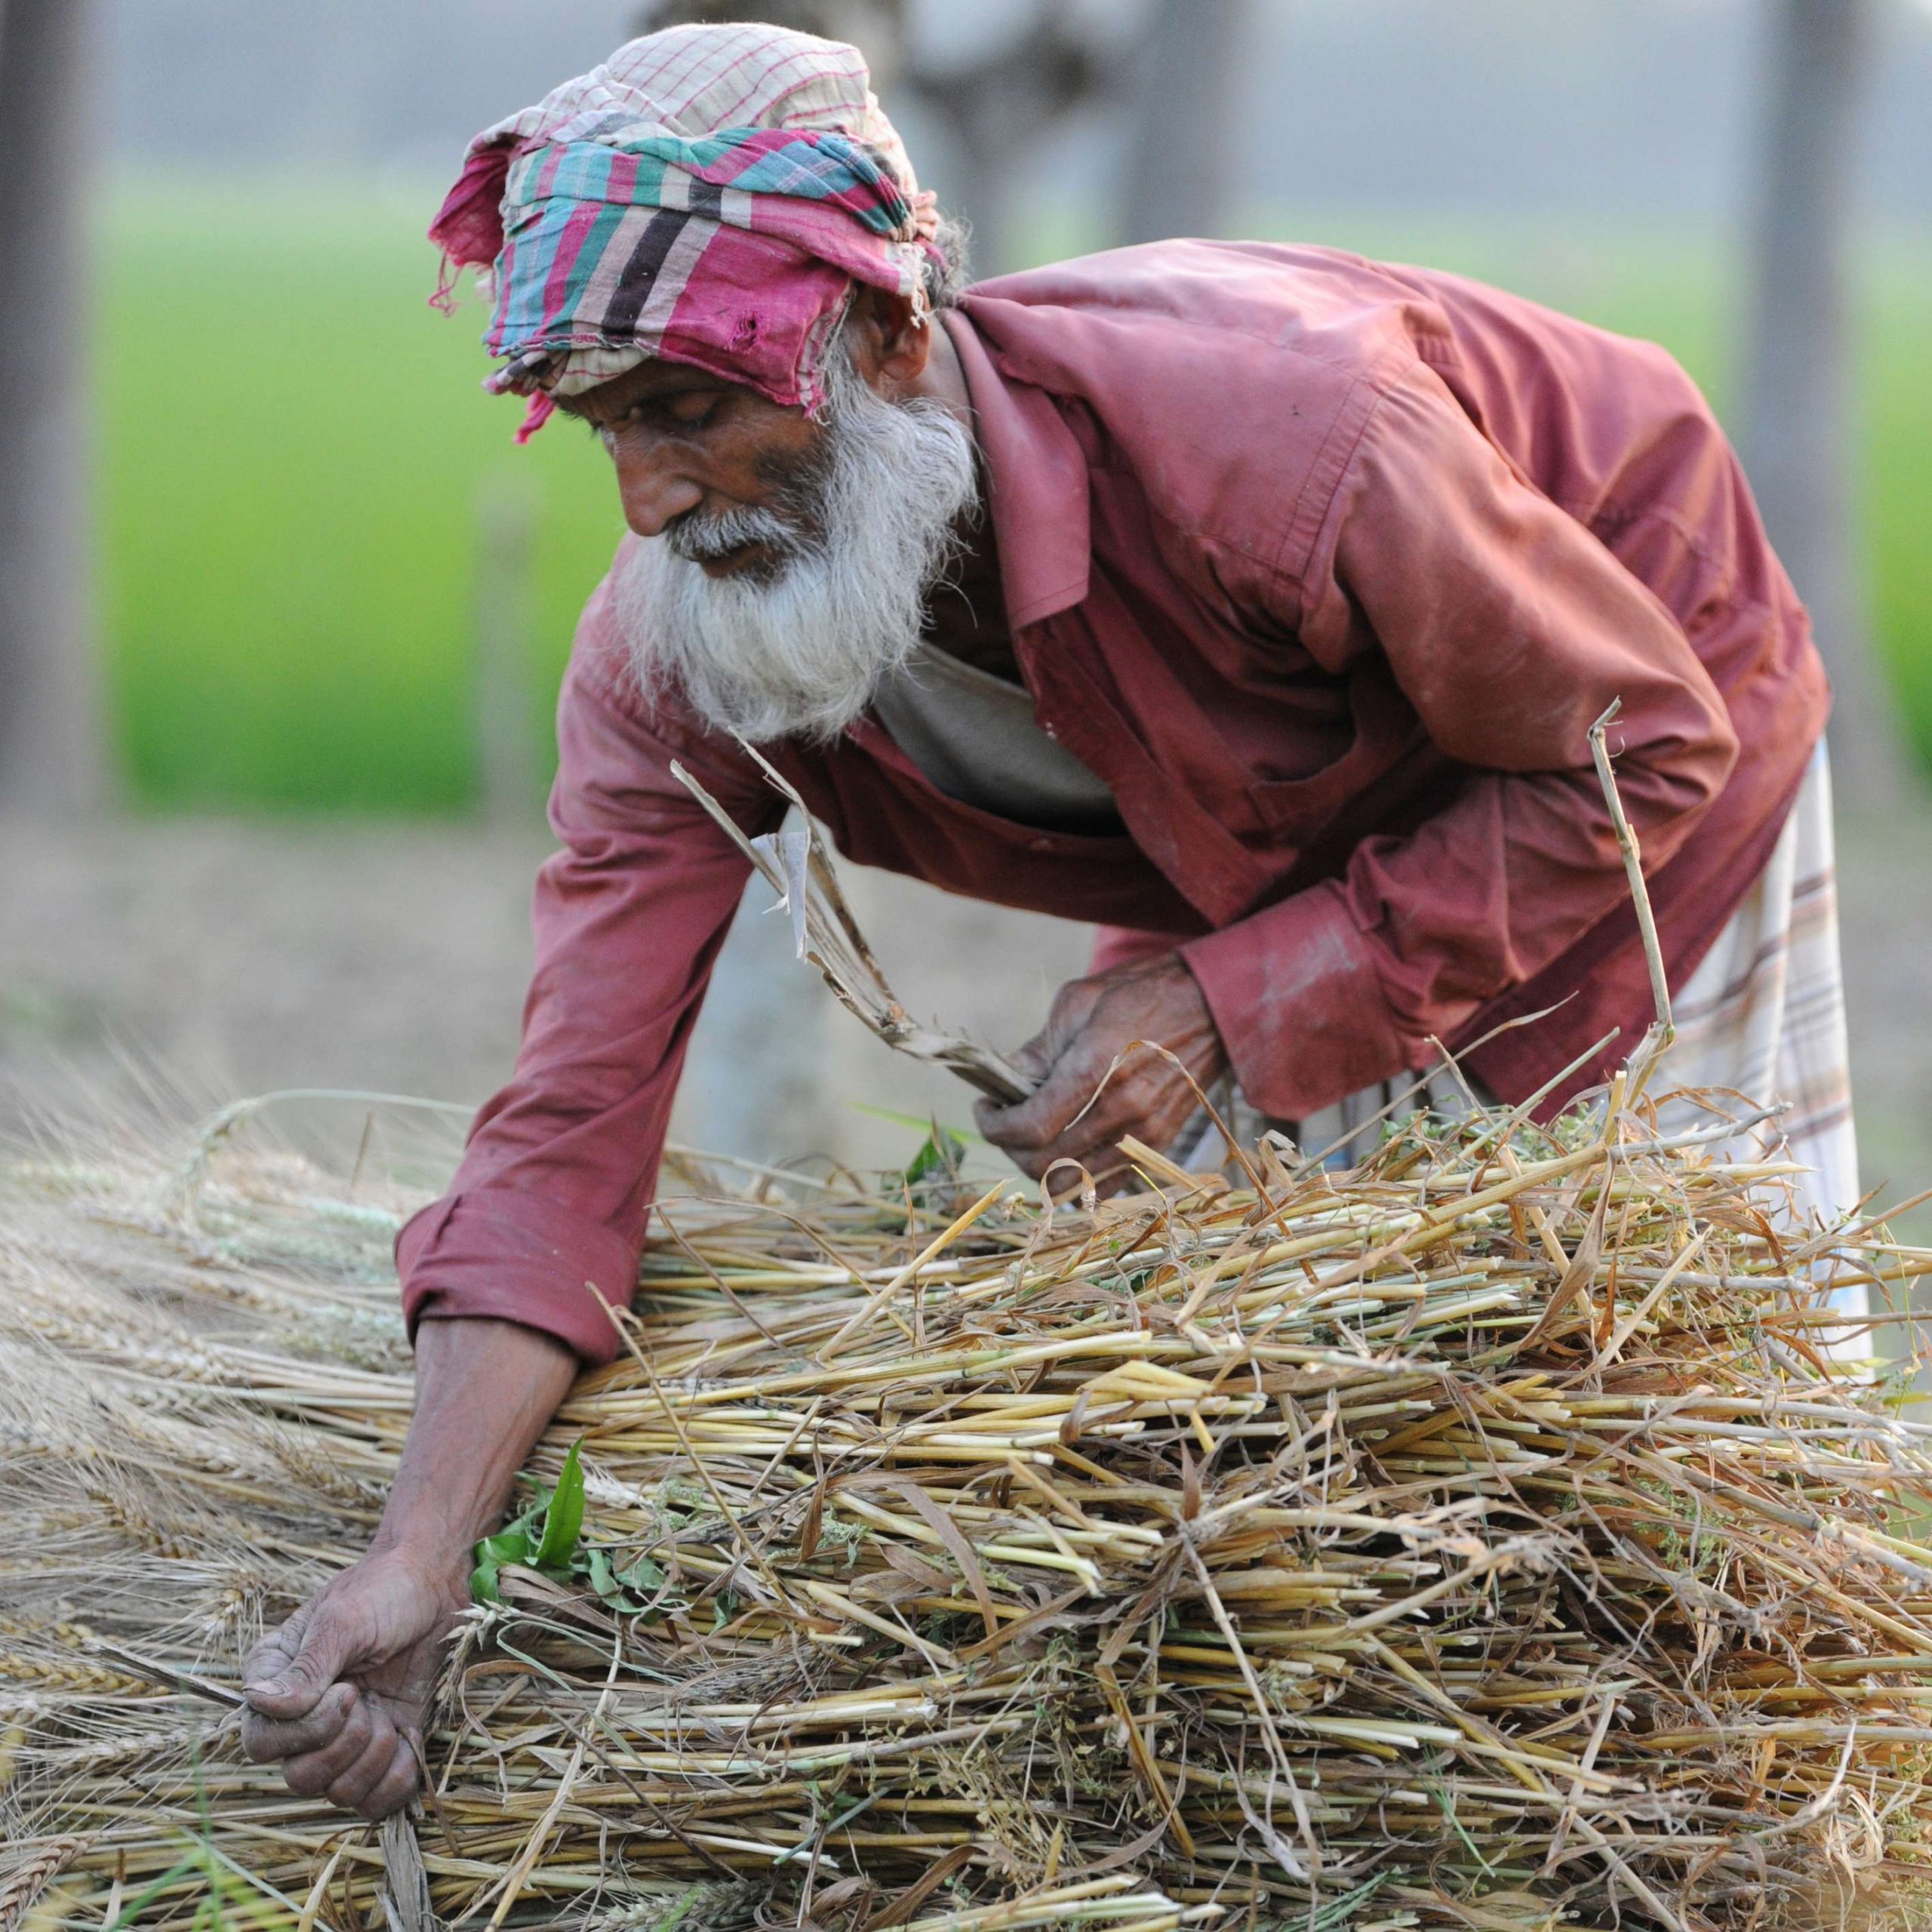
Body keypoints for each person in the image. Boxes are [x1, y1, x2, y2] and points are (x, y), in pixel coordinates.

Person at [238, 23, 1857, 1819]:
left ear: (882, 334)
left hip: (1629, 746)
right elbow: (568, 1127)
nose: (647, 496)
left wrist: (1228, 1001)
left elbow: (1633, 751)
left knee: (1631, 1435)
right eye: (610, 422)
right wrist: (421, 1554)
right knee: (1278, 1442)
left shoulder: (1284, 440)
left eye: (689, 406)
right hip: (1262, 826)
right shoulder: (675, 660)